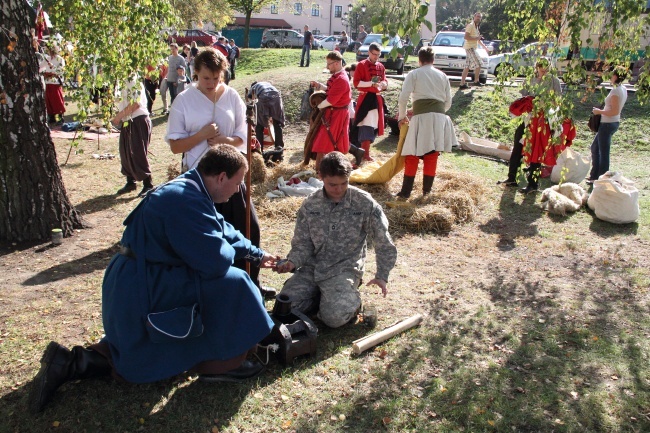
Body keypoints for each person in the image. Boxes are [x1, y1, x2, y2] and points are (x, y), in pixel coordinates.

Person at [29, 146, 278, 413]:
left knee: (145, 346)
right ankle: (225, 362)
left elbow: (223, 229)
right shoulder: (184, 199)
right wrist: (231, 252)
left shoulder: (193, 189)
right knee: (233, 282)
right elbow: (215, 262)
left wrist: (256, 254)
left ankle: (72, 363)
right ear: (220, 177)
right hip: (142, 283)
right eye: (238, 183)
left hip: (145, 275)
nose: (237, 190)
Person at [166, 48, 274, 299]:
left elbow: (244, 138)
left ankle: (250, 283)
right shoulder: (183, 100)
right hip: (200, 182)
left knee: (249, 229)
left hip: (232, 177)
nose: (212, 84)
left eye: (216, 78)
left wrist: (224, 140)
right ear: (195, 74)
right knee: (210, 237)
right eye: (206, 79)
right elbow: (175, 146)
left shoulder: (233, 97)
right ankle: (216, 289)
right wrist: (201, 136)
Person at [275, 151, 397, 328]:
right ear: (320, 177)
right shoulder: (310, 204)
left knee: (334, 318)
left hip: (343, 269)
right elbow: (302, 243)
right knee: (285, 307)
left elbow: (383, 241)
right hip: (312, 268)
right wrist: (292, 262)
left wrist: (382, 275)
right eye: (332, 184)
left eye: (344, 183)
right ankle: (324, 298)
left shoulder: (364, 203)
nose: (339, 189)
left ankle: (346, 301)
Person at [395, 46, 456, 198]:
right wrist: (430, 110)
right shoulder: (443, 75)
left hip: (423, 119)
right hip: (439, 118)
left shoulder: (414, 73)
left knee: (412, 153)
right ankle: (426, 192)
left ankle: (406, 192)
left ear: (419, 60)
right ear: (433, 60)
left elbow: (403, 98)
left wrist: (402, 116)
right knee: (432, 154)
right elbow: (447, 103)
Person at [497, 57, 563, 193]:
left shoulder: (553, 81)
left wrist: (544, 103)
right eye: (541, 67)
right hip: (529, 118)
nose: (543, 70)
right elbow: (523, 98)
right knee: (518, 144)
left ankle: (533, 184)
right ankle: (511, 177)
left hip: (543, 120)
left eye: (545, 67)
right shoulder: (530, 79)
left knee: (536, 150)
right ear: (537, 67)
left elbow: (558, 102)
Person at [308, 51, 352, 171]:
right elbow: (331, 91)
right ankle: (322, 170)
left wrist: (319, 106)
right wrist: (320, 86)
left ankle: (321, 171)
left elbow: (332, 100)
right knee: (324, 142)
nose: (327, 67)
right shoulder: (338, 76)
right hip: (332, 113)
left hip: (337, 115)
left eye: (329, 64)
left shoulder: (342, 79)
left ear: (337, 63)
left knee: (325, 143)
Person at [112, 75, 154, 197]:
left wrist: (118, 117)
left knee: (138, 151)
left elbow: (135, 104)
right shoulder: (121, 81)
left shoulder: (133, 81)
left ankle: (148, 184)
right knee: (125, 150)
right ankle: (131, 182)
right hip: (128, 120)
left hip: (138, 119)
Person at [588, 66, 628, 183]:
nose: (610, 76)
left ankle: (601, 179)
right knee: (595, 148)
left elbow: (615, 111)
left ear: (616, 76)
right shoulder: (622, 88)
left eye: (612, 74)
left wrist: (598, 111)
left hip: (608, 124)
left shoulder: (616, 91)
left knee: (603, 153)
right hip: (610, 123)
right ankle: (594, 175)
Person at [353, 42, 388, 162]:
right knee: (366, 125)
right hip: (366, 99)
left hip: (376, 99)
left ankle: (365, 153)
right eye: (374, 54)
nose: (376, 57)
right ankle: (364, 154)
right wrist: (371, 84)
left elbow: (385, 81)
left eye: (378, 55)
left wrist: (384, 84)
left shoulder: (381, 66)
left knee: (373, 126)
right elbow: (356, 83)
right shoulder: (361, 65)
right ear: (369, 52)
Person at [247, 81, 286, 150]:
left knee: (259, 126)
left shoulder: (253, 87)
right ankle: (279, 147)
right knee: (277, 123)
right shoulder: (267, 84)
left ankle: (259, 149)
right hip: (276, 96)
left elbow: (250, 100)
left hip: (263, 97)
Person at [459, 12, 489, 89]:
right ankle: (476, 81)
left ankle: (462, 84)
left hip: (473, 48)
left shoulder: (476, 27)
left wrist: (485, 47)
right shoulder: (470, 25)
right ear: (474, 17)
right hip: (469, 48)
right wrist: (476, 38)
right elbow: (466, 37)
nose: (478, 18)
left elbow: (478, 40)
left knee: (467, 66)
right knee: (479, 63)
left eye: (480, 17)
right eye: (477, 16)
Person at [43, 43, 66, 124]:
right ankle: (51, 117)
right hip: (48, 82)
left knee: (57, 100)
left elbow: (61, 70)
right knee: (48, 100)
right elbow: (40, 67)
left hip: (55, 82)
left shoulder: (60, 59)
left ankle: (60, 117)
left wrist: (53, 67)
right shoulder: (47, 58)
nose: (49, 51)